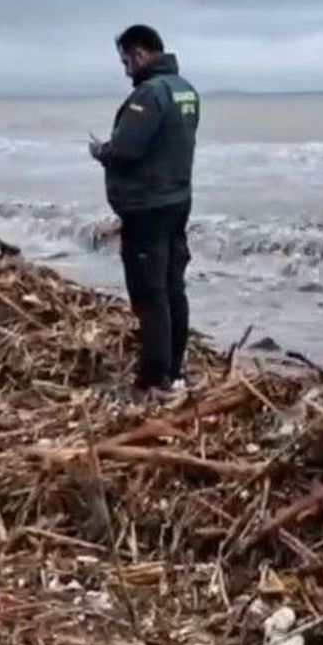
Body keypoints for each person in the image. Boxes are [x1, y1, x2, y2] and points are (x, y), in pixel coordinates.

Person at [87, 25, 200, 395]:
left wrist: (101, 151)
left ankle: (155, 378)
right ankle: (175, 370)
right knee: (172, 286)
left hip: (147, 207)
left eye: (126, 61)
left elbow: (126, 150)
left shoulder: (148, 96)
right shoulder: (185, 90)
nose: (125, 70)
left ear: (140, 54)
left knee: (150, 294)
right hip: (177, 199)